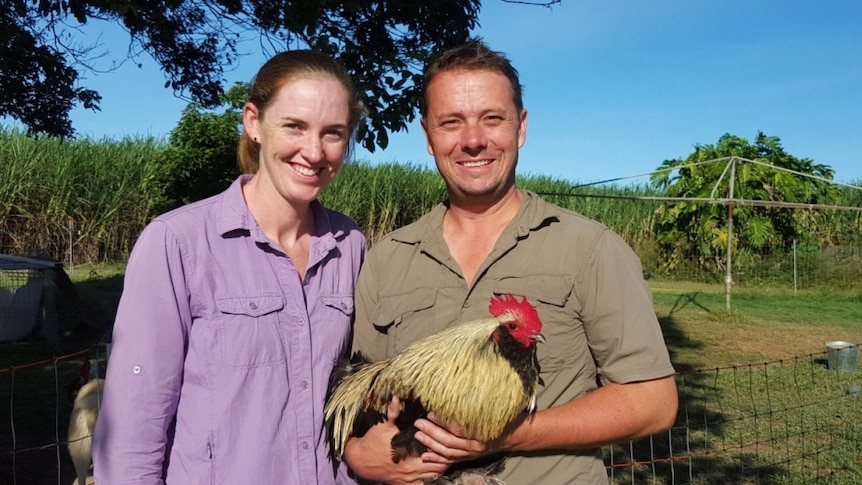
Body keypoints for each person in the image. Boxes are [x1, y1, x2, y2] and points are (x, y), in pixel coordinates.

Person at [342, 40, 678, 484]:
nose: (473, 140)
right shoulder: (388, 257)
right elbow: (359, 389)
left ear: (520, 127)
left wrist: (508, 435)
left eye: (492, 119)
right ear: (428, 136)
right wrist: (356, 453)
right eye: (451, 123)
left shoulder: (590, 248)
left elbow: (653, 402)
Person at [92, 50, 367, 484]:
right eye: (294, 126)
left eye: (332, 133)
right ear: (254, 122)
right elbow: (133, 426)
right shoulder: (177, 243)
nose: (313, 152)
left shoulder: (351, 246)